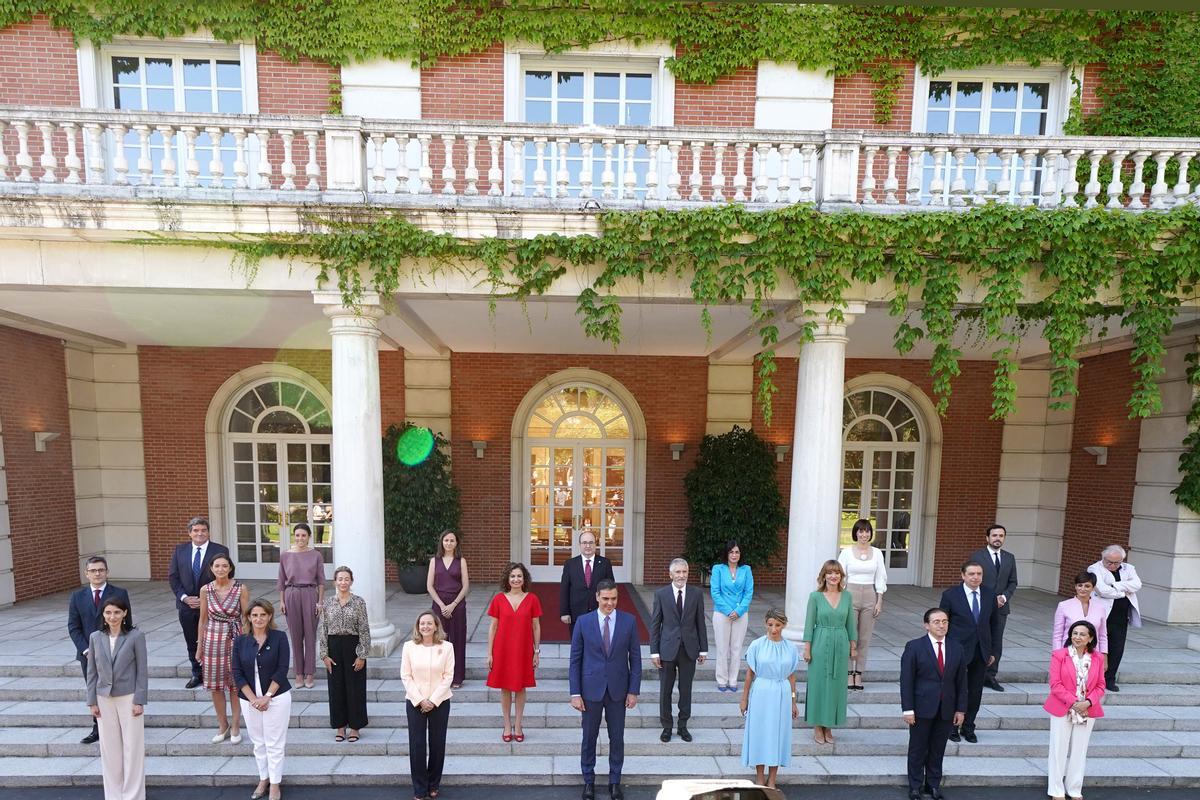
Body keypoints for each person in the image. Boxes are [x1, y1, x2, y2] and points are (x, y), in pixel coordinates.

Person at [569, 578, 641, 800]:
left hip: (618, 691)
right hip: (590, 690)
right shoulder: (583, 622)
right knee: (589, 738)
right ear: (597, 597)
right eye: (606, 599)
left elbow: (636, 659)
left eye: (614, 599)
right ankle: (588, 782)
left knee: (617, 738)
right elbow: (575, 660)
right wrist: (575, 692)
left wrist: (633, 690)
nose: (610, 603)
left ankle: (614, 782)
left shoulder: (629, 622)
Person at [85, 595, 148, 800]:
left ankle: (133, 795)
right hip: (103, 698)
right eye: (108, 612)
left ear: (125, 614)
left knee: (133, 747)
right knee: (109, 749)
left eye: (117, 612)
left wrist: (139, 700)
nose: (112, 617)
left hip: (129, 697)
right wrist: (91, 701)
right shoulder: (95, 637)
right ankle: (113, 795)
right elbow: (91, 671)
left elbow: (142, 670)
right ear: (103, 615)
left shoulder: (136, 636)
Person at [900, 608, 967, 800]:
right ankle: (915, 786)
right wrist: (908, 709)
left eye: (945, 621)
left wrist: (961, 709)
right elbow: (907, 680)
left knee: (938, 749)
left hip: (946, 709)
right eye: (936, 622)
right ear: (926, 625)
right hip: (921, 708)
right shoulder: (914, 647)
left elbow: (962, 681)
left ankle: (933, 785)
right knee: (918, 748)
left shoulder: (956, 647)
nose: (941, 625)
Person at [68, 555, 131, 744]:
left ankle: (120, 725)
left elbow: (128, 624)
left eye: (101, 570)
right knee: (95, 691)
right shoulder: (77, 597)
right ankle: (98, 728)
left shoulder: (120, 594)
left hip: (115, 652)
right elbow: (73, 627)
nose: (97, 573)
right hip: (89, 655)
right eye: (93, 570)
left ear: (107, 572)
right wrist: (86, 649)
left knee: (117, 688)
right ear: (86, 574)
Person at [234, 599, 292, 800]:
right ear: (248, 617)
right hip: (249, 700)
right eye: (254, 615)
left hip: (276, 698)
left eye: (263, 615)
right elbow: (237, 673)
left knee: (275, 743)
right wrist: (253, 699)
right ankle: (263, 778)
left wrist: (267, 697)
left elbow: (282, 669)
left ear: (269, 617)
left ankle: (275, 784)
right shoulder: (240, 641)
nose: (258, 619)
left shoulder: (279, 638)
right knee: (258, 742)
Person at [1044, 619, 1106, 800]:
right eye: (1075, 633)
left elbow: (1101, 685)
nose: (1077, 637)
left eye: (1082, 634)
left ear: (1090, 638)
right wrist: (1074, 702)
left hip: (1087, 709)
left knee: (1080, 750)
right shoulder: (1059, 655)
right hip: (1062, 707)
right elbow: (1055, 684)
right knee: (1058, 749)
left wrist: (1087, 702)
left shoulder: (1098, 657)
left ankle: (1074, 788)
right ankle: (1056, 790)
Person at [738, 608, 799, 790]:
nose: (774, 629)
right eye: (771, 625)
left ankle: (772, 780)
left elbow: (792, 677)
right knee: (760, 733)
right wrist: (744, 699)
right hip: (761, 692)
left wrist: (794, 701)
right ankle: (759, 777)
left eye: (778, 625)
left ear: (784, 625)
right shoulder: (757, 645)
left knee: (777, 735)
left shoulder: (790, 648)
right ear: (766, 624)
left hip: (782, 693)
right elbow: (749, 675)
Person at [939, 560, 998, 744]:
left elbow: (995, 625)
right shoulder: (950, 595)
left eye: (979, 574)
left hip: (981, 651)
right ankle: (951, 727)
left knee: (975, 691)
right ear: (963, 575)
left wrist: (993, 651)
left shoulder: (989, 595)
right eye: (971, 574)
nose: (975, 577)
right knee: (955, 689)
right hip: (957, 650)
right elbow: (942, 623)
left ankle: (969, 726)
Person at [167, 516, 230, 688]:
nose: (200, 534)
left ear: (208, 532)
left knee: (213, 641)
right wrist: (184, 598)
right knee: (192, 641)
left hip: (212, 605)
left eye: (203, 530)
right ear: (190, 533)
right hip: (187, 605)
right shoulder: (180, 551)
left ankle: (214, 673)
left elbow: (224, 576)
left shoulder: (220, 550)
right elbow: (173, 577)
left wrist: (207, 598)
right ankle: (197, 674)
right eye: (196, 530)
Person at [650, 557, 708, 743]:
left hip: (689, 649)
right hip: (667, 649)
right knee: (665, 690)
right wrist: (654, 651)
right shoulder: (661, 594)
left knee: (686, 689)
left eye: (684, 572)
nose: (681, 575)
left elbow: (700, 622)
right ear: (670, 574)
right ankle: (667, 726)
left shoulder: (696, 594)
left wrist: (703, 649)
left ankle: (682, 726)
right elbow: (655, 624)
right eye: (678, 572)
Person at [401, 611, 455, 800]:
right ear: (417, 626)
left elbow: (448, 676)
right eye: (422, 624)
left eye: (429, 623)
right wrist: (420, 700)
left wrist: (433, 700)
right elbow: (406, 676)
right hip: (415, 701)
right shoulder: (408, 647)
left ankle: (434, 784)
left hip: (440, 702)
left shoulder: (447, 647)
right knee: (417, 745)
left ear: (436, 626)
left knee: (437, 744)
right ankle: (419, 788)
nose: (425, 627)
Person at [486, 561, 542, 742]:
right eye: (512, 576)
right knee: (504, 687)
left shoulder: (532, 599)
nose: (516, 579)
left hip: (524, 649)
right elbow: (493, 627)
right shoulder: (499, 599)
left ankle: (518, 725)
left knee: (521, 686)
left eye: (519, 576)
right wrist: (489, 653)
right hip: (502, 649)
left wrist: (536, 651)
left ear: (524, 578)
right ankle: (507, 725)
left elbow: (536, 626)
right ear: (507, 579)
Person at [803, 559, 856, 744]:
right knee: (819, 684)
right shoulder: (815, 597)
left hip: (840, 642)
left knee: (835, 685)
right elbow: (809, 624)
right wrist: (807, 648)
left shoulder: (847, 596)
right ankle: (818, 725)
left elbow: (851, 623)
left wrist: (853, 645)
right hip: (820, 641)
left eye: (837, 573)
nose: (833, 576)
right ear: (823, 576)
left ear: (841, 576)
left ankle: (829, 725)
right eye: (830, 573)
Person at [196, 553, 248, 744]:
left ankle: (235, 725)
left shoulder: (240, 588)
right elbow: (202, 620)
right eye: (217, 566)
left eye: (224, 566)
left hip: (235, 636)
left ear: (230, 568)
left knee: (235, 683)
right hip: (212, 638)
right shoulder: (205, 590)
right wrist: (199, 646)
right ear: (211, 568)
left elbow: (245, 617)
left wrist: (247, 642)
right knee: (216, 685)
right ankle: (222, 724)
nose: (221, 569)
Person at [318, 566, 371, 742]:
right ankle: (340, 727)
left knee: (355, 688)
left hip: (353, 646)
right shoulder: (327, 603)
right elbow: (323, 628)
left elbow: (364, 629)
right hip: (333, 647)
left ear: (351, 581)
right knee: (336, 688)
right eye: (340, 579)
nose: (343, 582)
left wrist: (362, 655)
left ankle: (355, 727)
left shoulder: (359, 602)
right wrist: (324, 654)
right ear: (335, 582)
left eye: (346, 579)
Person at [837, 519, 886, 691]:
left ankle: (859, 672)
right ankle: (848, 673)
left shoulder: (877, 553)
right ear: (855, 533)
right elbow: (840, 576)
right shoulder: (847, 553)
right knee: (850, 636)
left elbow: (880, 577)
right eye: (860, 531)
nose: (864, 534)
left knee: (864, 637)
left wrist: (879, 600)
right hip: (850, 594)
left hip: (870, 595)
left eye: (867, 531)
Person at [277, 523, 325, 689]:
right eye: (297, 535)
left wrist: (320, 602)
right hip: (291, 594)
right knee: (295, 636)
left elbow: (321, 581)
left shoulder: (316, 555)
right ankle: (298, 673)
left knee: (310, 635)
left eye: (303, 535)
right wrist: (282, 601)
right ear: (293, 536)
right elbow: (281, 580)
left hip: (310, 594)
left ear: (309, 536)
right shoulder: (285, 555)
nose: (300, 539)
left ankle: (310, 673)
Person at [1088, 544, 1142, 692]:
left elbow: (1137, 584)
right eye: (1108, 562)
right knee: (1097, 648)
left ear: (1122, 561)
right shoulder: (1094, 568)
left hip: (1121, 616)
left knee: (1117, 648)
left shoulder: (1129, 568)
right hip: (1102, 615)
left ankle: (1109, 679)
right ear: (1103, 557)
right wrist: (1124, 591)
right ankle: (1095, 679)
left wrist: (1114, 585)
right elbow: (1102, 590)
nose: (1112, 565)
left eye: (1116, 563)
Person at [970, 523, 1017, 692]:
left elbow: (1013, 582)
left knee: (996, 641)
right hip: (982, 606)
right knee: (980, 639)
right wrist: (990, 598)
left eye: (1001, 536)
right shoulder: (977, 556)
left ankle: (990, 676)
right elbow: (972, 581)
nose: (998, 538)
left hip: (1001, 607)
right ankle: (975, 674)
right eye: (994, 535)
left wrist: (1004, 597)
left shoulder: (1009, 558)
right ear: (987, 538)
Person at [427, 529, 470, 689]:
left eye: (452, 540)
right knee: (439, 640)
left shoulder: (461, 561)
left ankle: (457, 677)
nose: (449, 543)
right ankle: (440, 676)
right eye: (446, 540)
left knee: (457, 640)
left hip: (457, 604)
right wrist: (442, 605)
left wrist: (453, 604)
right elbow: (429, 586)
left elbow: (465, 586)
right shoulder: (434, 561)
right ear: (442, 542)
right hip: (439, 604)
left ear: (456, 543)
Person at [710, 539, 754, 693]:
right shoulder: (718, 569)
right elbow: (715, 592)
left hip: (741, 614)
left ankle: (733, 679)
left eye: (737, 552)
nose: (734, 555)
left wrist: (739, 610)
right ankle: (721, 679)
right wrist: (728, 611)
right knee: (722, 647)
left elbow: (748, 592)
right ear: (726, 553)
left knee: (736, 647)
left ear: (740, 554)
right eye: (731, 552)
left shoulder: (746, 569)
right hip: (722, 613)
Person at [559, 531, 614, 635]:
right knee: (578, 646)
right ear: (580, 545)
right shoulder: (570, 564)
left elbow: (611, 589)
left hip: (599, 612)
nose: (588, 546)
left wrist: (609, 609)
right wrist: (564, 612)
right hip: (576, 614)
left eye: (591, 542)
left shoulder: (605, 563)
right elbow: (564, 589)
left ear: (595, 544)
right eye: (584, 543)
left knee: (599, 645)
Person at [1052, 571, 1109, 659]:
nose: (1083, 589)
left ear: (1093, 588)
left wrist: (1104, 656)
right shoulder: (1063, 606)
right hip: (1068, 653)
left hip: (1093, 654)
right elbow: (1057, 634)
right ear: (1075, 586)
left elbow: (1102, 635)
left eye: (1087, 586)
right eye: (1080, 585)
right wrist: (1057, 654)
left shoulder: (1100, 608)